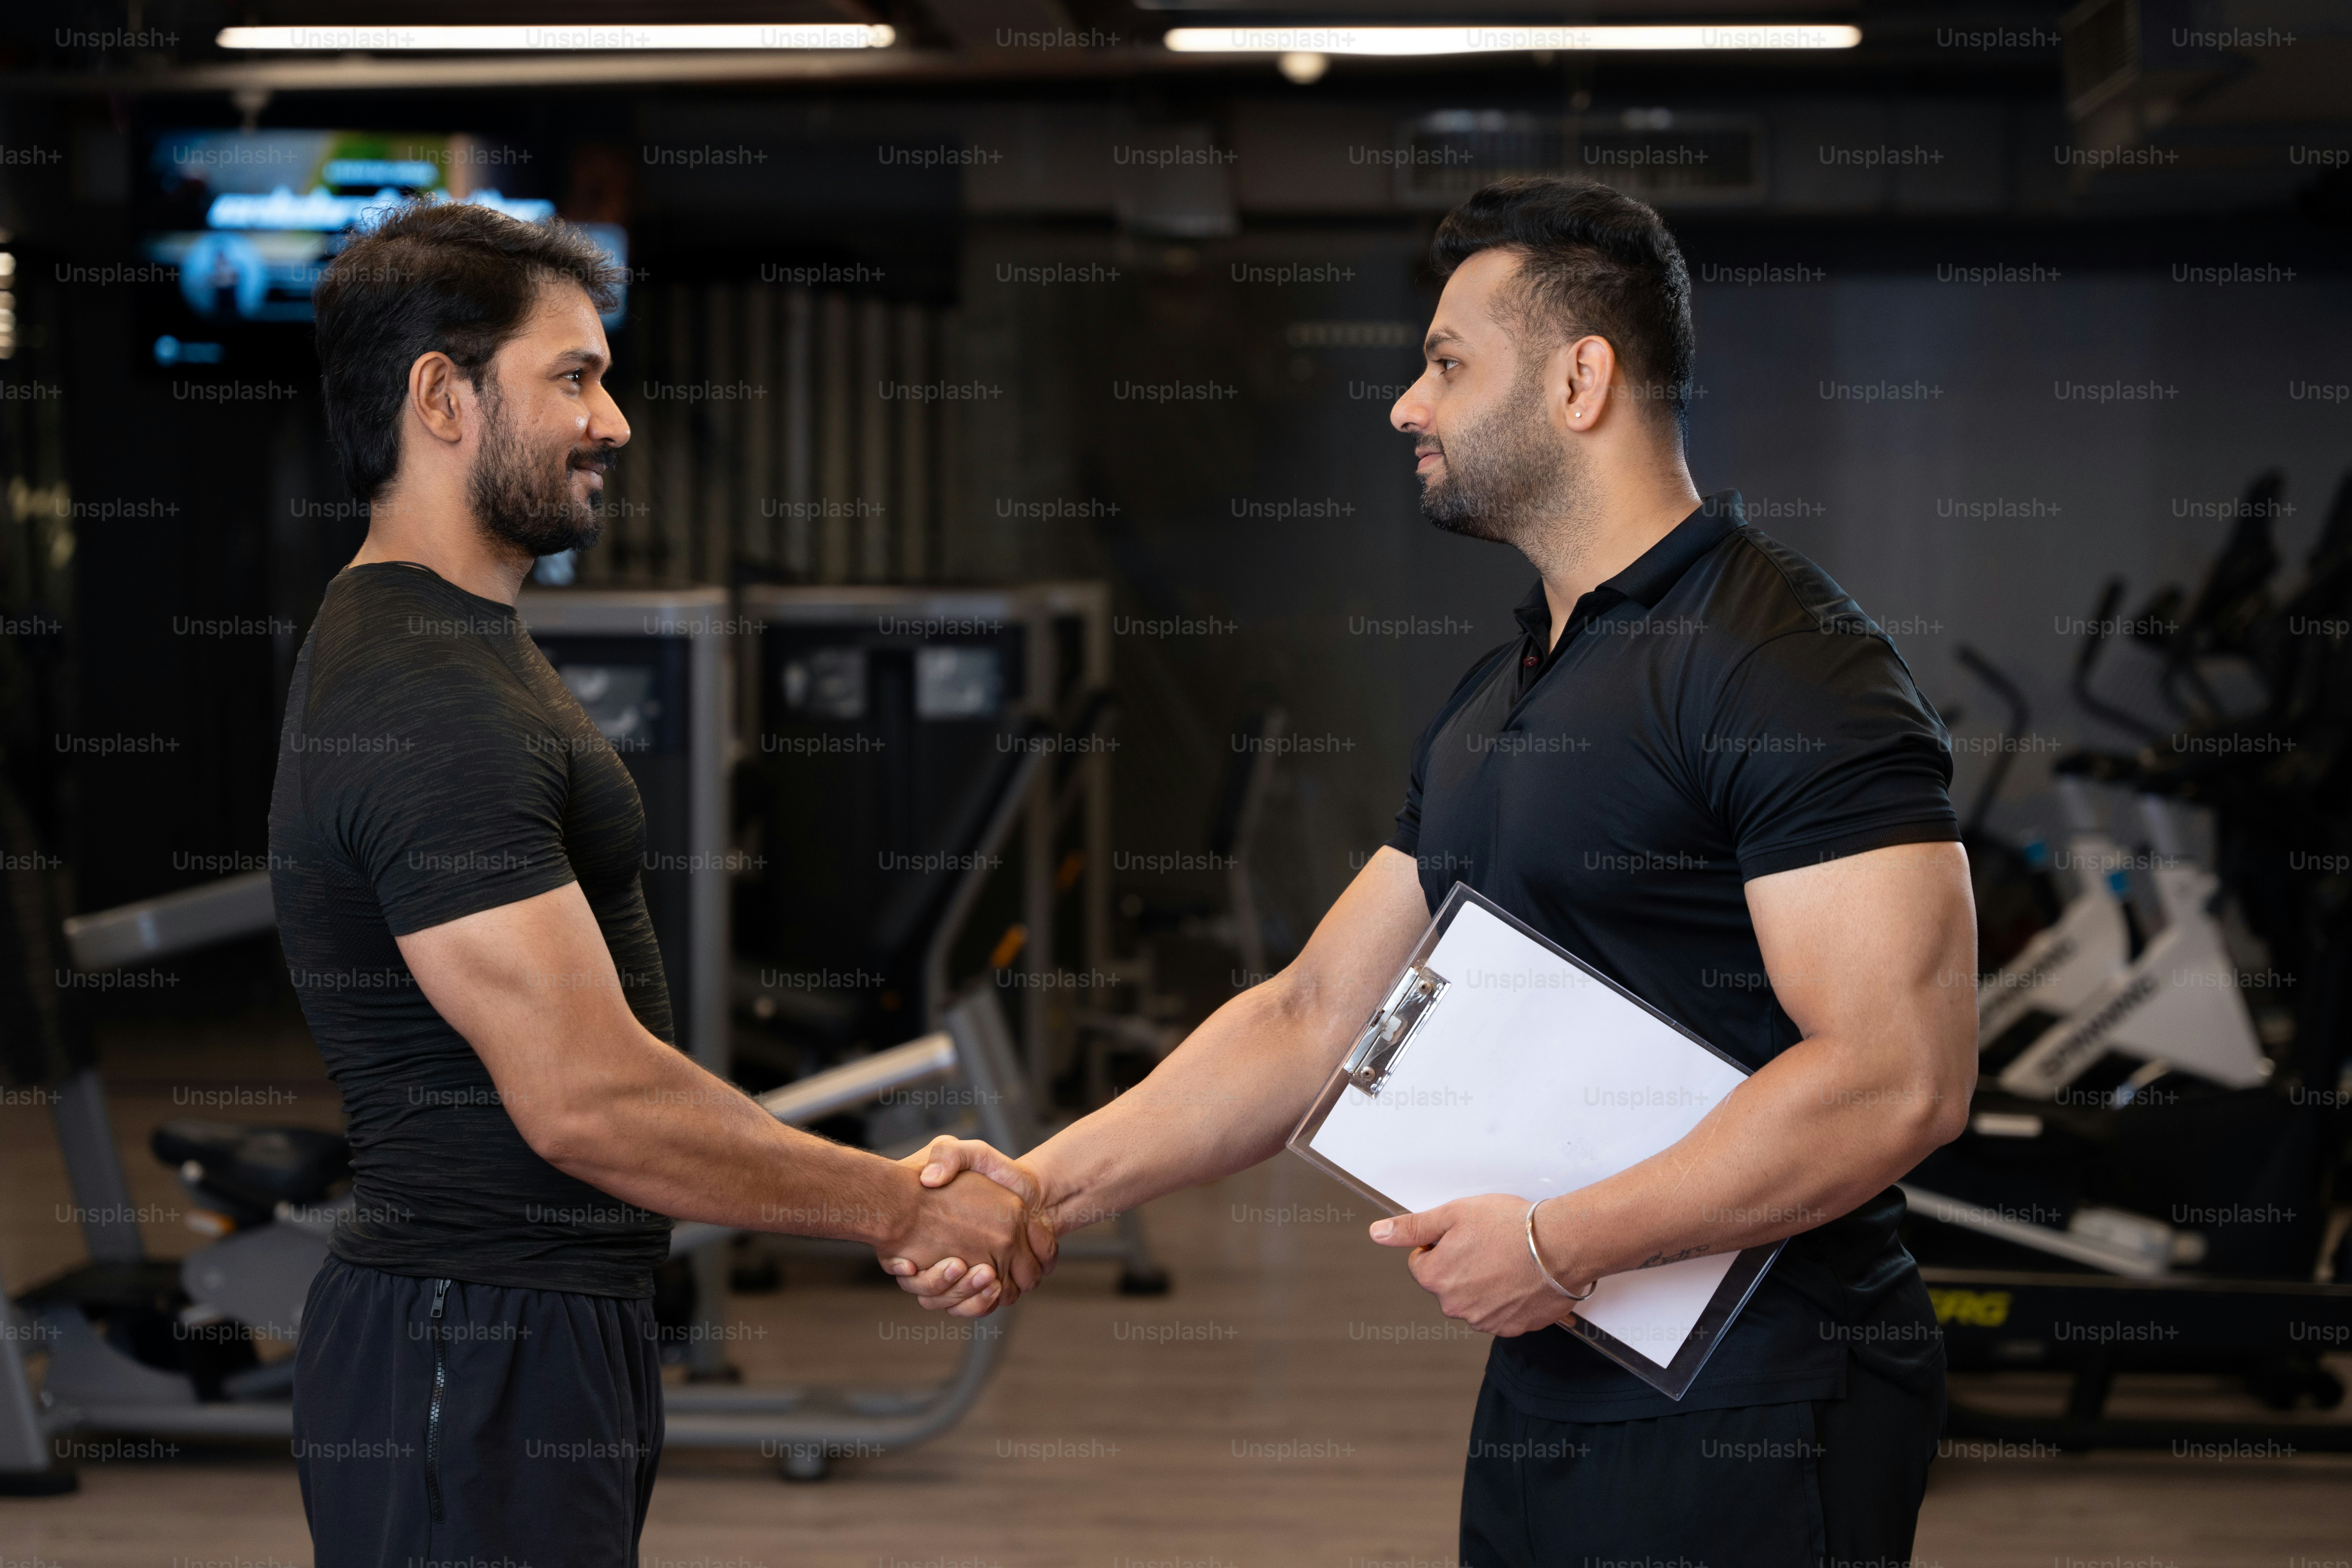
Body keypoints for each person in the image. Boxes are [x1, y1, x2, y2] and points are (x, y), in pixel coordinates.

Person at [891, 176, 1978, 1566]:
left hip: (1764, 1389)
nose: (1409, 403)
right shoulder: (1508, 686)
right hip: (1559, 1361)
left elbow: (1899, 1072)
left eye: (1449, 363)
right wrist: (1041, 1187)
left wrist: (1560, 1238)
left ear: (1583, 378)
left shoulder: (1787, 663)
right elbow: (1310, 1015)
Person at [271, 201, 1049, 1568]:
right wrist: (896, 1202)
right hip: (477, 1335)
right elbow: (585, 1097)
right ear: (442, 400)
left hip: (537, 1324)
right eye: (573, 376)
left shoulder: (458, 644)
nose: (614, 420)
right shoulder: (423, 690)